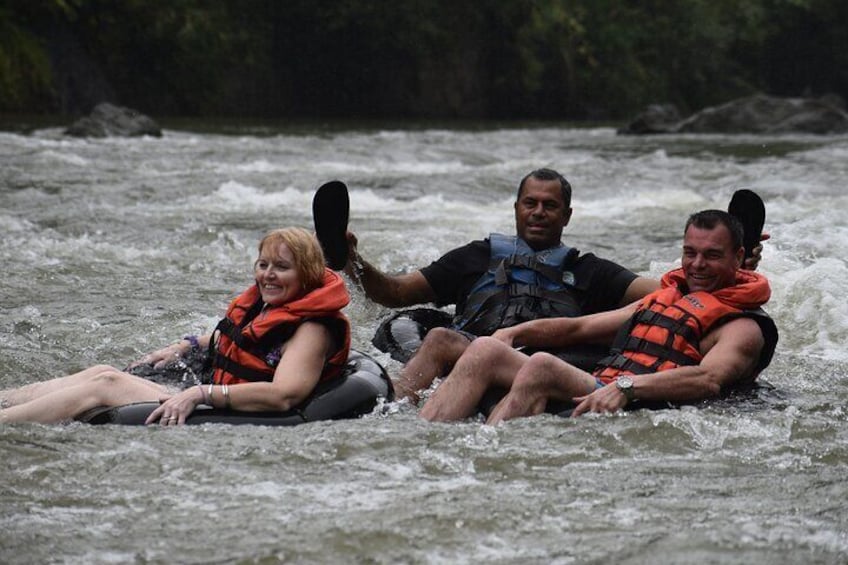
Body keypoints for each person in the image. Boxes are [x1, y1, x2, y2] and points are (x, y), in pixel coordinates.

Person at [418, 209, 778, 424]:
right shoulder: (670, 297)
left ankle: (484, 455)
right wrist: (513, 334)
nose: (697, 265)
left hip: (645, 401)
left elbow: (708, 380)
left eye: (712, 255)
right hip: (603, 382)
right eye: (690, 252)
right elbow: (581, 327)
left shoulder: (743, 326)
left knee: (542, 366)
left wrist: (625, 387)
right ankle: (424, 443)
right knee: (483, 349)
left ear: (739, 257)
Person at [344, 168, 662, 402]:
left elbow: (662, 293)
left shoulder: (590, 271)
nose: (538, 213)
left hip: (544, 366)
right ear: (516, 209)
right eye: (530, 203)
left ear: (567, 216)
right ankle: (394, 411)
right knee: (440, 338)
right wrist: (352, 260)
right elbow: (394, 293)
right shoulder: (474, 257)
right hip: (473, 356)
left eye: (549, 206)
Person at [0, 227, 351, 425]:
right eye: (263, 264)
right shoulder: (270, 303)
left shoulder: (312, 330)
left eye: (281, 267)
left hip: (224, 406)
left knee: (107, 383)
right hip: (214, 391)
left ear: (306, 274)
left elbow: (283, 395)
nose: (268, 275)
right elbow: (241, 339)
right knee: (101, 369)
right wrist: (186, 346)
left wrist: (199, 394)